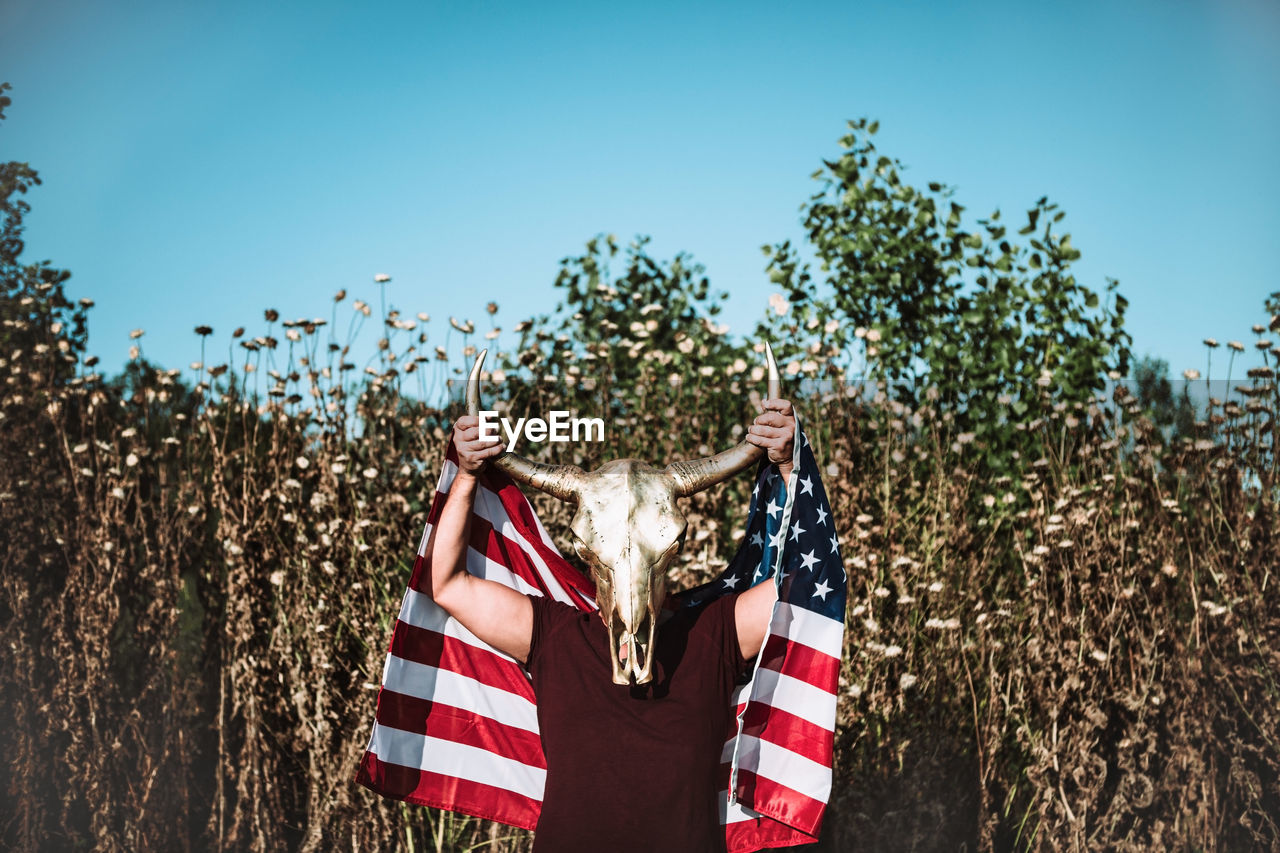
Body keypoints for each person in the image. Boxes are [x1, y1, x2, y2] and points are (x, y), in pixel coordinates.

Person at [424, 399, 798, 853]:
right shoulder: (553, 636)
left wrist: (789, 465)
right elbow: (447, 583)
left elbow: (805, 585)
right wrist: (466, 475)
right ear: (586, 550)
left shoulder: (714, 632)